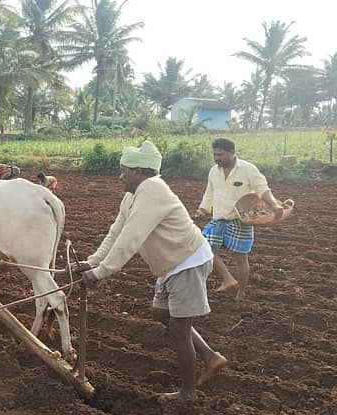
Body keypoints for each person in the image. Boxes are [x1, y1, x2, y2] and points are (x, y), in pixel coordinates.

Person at [77, 141, 227, 401]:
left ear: (140, 171)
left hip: (187, 260)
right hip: (171, 264)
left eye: (124, 170)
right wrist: (92, 261)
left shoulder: (153, 191)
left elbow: (131, 239)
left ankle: (188, 393)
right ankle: (211, 357)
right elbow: (117, 232)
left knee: (180, 328)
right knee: (161, 313)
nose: (120, 175)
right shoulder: (132, 195)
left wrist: (101, 272)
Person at [195, 138, 283, 302]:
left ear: (232, 153)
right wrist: (203, 209)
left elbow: (263, 189)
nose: (217, 158)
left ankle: (240, 293)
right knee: (203, 247)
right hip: (219, 219)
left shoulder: (248, 169)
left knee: (240, 258)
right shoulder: (214, 171)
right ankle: (228, 279)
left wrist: (274, 204)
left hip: (240, 220)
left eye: (220, 154)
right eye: (214, 154)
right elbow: (209, 192)